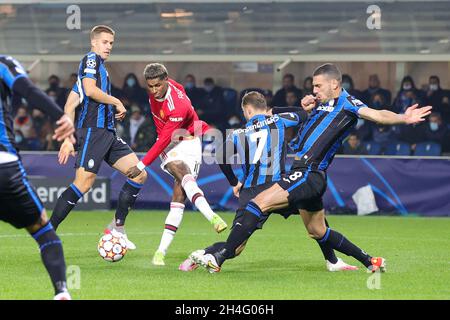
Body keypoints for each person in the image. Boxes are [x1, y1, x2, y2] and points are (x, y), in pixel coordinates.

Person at [193, 63, 432, 273]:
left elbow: (377, 115)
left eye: (318, 85)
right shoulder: (320, 105)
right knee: (319, 231)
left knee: (258, 203)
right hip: (307, 175)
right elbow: (278, 118)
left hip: (308, 172)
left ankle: (219, 257)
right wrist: (305, 107)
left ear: (335, 84)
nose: (314, 90)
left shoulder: (347, 102)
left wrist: (403, 117)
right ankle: (370, 261)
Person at [183, 91, 357, 272]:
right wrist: (274, 111)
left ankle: (203, 253)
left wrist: (234, 182)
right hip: (278, 187)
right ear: (264, 108)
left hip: (251, 191)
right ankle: (332, 261)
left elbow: (220, 157)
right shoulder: (278, 121)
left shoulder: (237, 133)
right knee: (316, 218)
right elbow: (304, 114)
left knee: (236, 246)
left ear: (248, 110)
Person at [49, 25, 148, 251]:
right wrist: (117, 101)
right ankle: (48, 233)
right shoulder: (91, 60)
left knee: (139, 174)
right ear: (94, 42)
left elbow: (70, 103)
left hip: (108, 133)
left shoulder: (99, 69)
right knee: (83, 183)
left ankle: (117, 228)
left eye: (111, 43)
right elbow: (90, 90)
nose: (109, 47)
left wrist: (66, 137)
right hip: (93, 131)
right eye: (105, 42)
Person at [125, 63, 228, 266]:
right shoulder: (171, 85)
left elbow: (164, 139)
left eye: (157, 86)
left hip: (186, 142)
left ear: (165, 81)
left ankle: (160, 252)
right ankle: (212, 217)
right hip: (171, 145)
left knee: (179, 196)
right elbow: (165, 140)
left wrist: (140, 165)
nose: (154, 90)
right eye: (150, 86)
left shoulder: (177, 105)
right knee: (181, 172)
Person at [0, 54, 75, 299]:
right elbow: (27, 90)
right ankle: (61, 291)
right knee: (42, 228)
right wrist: (60, 116)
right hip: (4, 164)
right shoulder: (4, 63)